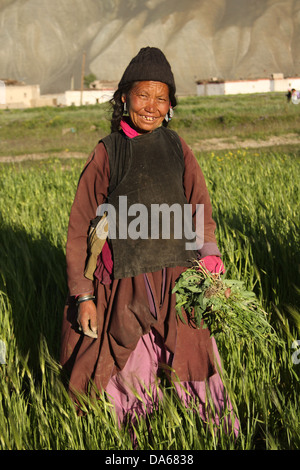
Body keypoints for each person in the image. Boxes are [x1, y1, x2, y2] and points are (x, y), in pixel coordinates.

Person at [60, 47, 239, 437]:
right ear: (124, 97)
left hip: (179, 278)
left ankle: (220, 439)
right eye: (143, 95)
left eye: (161, 98)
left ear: (170, 105)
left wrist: (209, 260)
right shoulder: (108, 153)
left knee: (196, 361)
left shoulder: (177, 148)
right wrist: (84, 295)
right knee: (129, 370)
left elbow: (199, 207)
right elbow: (78, 227)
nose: (151, 106)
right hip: (126, 282)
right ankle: (142, 442)